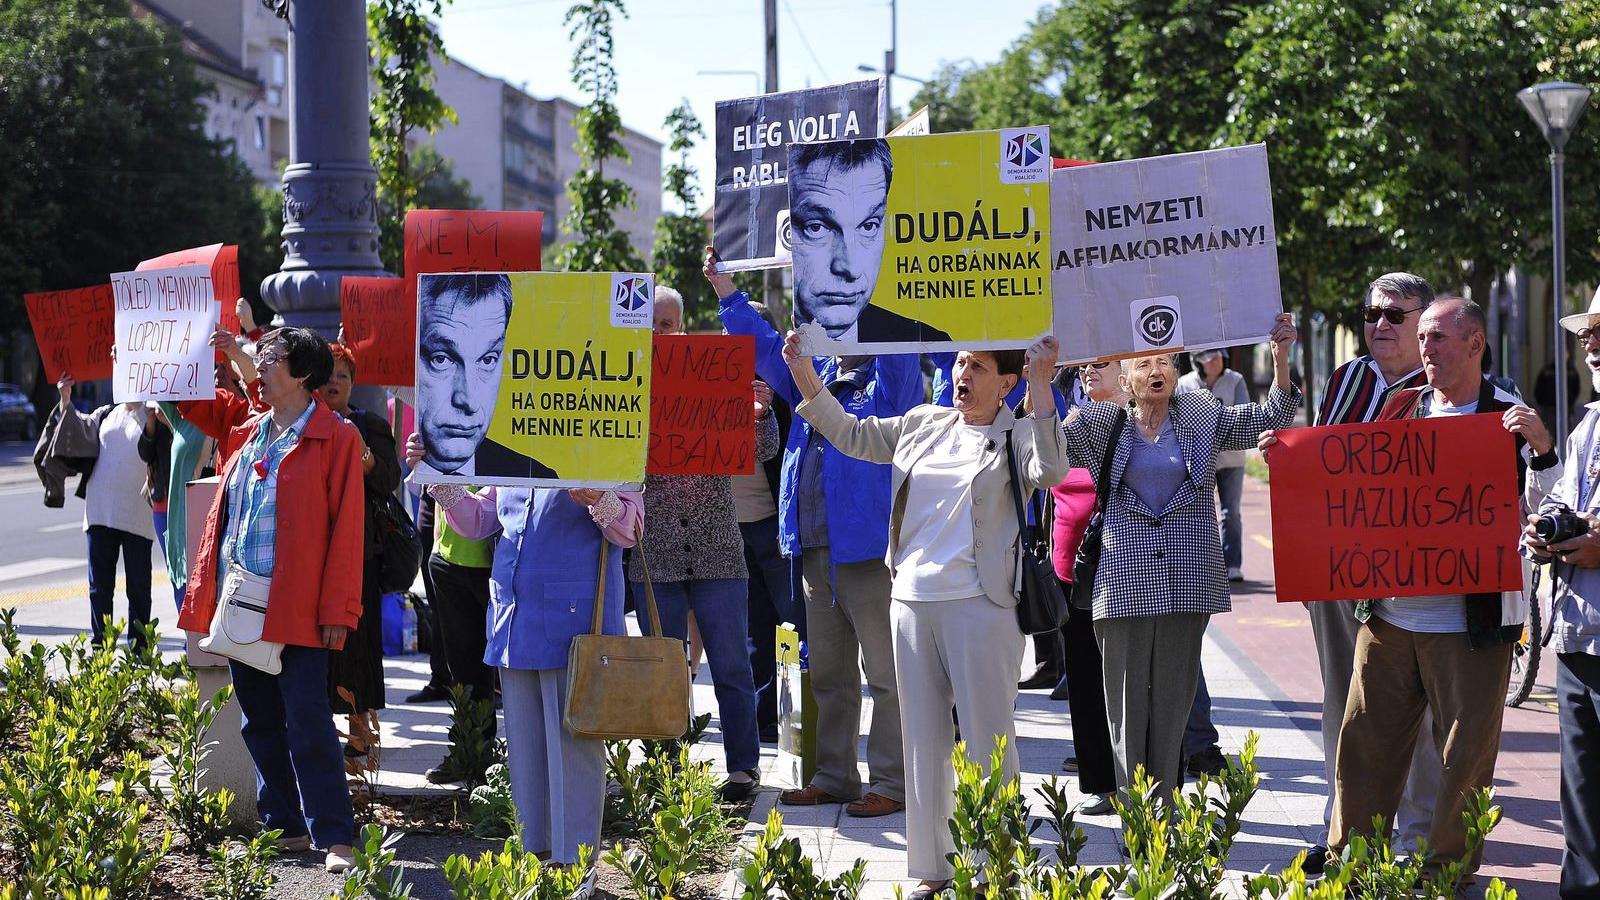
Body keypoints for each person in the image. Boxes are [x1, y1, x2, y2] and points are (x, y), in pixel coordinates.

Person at [783, 331, 1066, 897]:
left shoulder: (1018, 433)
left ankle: (997, 864)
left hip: (982, 605)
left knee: (990, 739)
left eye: (979, 366)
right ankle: (934, 870)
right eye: (961, 362)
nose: (964, 373)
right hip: (911, 601)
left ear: (1005, 382)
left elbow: (1052, 472)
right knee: (923, 741)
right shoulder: (923, 422)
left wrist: (1041, 385)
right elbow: (852, 435)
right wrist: (803, 373)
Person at [1325, 297, 1557, 880]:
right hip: (1391, 617)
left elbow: (1547, 509)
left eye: (1438, 338)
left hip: (1471, 626)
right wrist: (1297, 463)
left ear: (1475, 343)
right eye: (1422, 338)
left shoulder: (1507, 416)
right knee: (1363, 746)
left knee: (1466, 761)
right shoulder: (1400, 407)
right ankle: (1351, 867)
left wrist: (1543, 452)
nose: (1425, 349)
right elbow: (1357, 483)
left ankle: (1444, 875)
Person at [709, 245, 919, 818]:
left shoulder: (891, 376)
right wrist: (729, 294)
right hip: (813, 546)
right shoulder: (815, 371)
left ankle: (893, 784)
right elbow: (768, 348)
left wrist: (881, 295)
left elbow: (898, 346)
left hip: (869, 549)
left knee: (886, 675)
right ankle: (834, 776)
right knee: (827, 671)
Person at [1061, 314, 1300, 799]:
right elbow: (1045, 444)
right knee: (1126, 712)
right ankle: (1134, 815)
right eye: (1145, 363)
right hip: (1122, 585)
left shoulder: (1201, 414)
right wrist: (1042, 377)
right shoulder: (1101, 423)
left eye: (1165, 362)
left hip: (1186, 584)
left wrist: (1279, 358)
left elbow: (1268, 417)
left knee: (1173, 709)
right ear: (1125, 380)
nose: (1157, 370)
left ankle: (1165, 813)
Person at [1259, 273, 1440, 871]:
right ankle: (1342, 833)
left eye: (1393, 316)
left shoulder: (1446, 387)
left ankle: (1412, 842)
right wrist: (1286, 453)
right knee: (1342, 699)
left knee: (1416, 709)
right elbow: (1325, 455)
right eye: (1370, 315)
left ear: (1424, 322)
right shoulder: (1349, 378)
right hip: (1342, 570)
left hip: (1417, 578)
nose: (1378, 326)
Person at [406, 435, 641, 889]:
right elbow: (479, 521)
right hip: (516, 624)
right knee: (527, 755)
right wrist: (438, 477)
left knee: (574, 751)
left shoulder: (610, 439)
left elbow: (631, 529)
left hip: (575, 627)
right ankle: (537, 857)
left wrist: (599, 499)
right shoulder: (515, 449)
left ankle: (577, 865)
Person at [175, 327, 364, 874]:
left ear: (301, 373)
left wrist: (338, 612)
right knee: (259, 721)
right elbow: (189, 404)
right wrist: (161, 365)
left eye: (272, 356)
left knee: (307, 721)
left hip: (300, 608)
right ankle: (282, 826)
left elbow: (346, 533)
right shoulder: (250, 430)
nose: (261, 361)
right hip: (241, 602)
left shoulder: (338, 437)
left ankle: (335, 836)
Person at [633, 286, 780, 801]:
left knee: (732, 668)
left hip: (718, 550)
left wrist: (760, 414)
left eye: (667, 324)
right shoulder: (625, 390)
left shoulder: (711, 375)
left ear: (682, 326)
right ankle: (665, 772)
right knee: (663, 673)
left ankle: (742, 769)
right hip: (657, 555)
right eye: (650, 325)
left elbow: (761, 450)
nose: (659, 333)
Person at [1525, 287, 1600, 898]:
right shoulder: (1591, 422)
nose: (1591, 345)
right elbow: (1559, 502)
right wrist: (1544, 529)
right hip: (1578, 634)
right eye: (1587, 334)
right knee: (1581, 801)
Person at [1049, 360, 1124, 814]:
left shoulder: (1134, 422)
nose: (1089, 370)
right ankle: (1100, 780)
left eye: (1103, 363)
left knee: (1119, 681)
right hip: (1067, 570)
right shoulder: (1072, 417)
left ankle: (1131, 778)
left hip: (1114, 572)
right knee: (1082, 680)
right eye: (1085, 365)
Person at [317, 343, 401, 747]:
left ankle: (360, 741)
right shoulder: (305, 423)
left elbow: (388, 480)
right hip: (313, 556)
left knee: (357, 646)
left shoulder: (368, 425)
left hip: (359, 555)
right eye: (329, 375)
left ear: (354, 384)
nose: (335, 383)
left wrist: (360, 450)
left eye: (343, 376)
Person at [788, 141, 950, 345]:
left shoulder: (925, 342)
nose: (851, 268)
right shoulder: (780, 353)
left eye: (868, 226)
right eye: (817, 227)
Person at [414, 273, 555, 481]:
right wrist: (425, 471)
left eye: (487, 360)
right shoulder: (415, 459)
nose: (469, 401)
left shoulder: (537, 476)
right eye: (441, 359)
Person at [56, 376, 158, 650]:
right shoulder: (106, 413)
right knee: (99, 588)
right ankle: (101, 647)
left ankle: (140, 651)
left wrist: (151, 420)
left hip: (137, 516)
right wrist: (66, 398)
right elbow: (75, 432)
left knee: (138, 588)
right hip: (100, 512)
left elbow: (152, 451)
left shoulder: (153, 412)